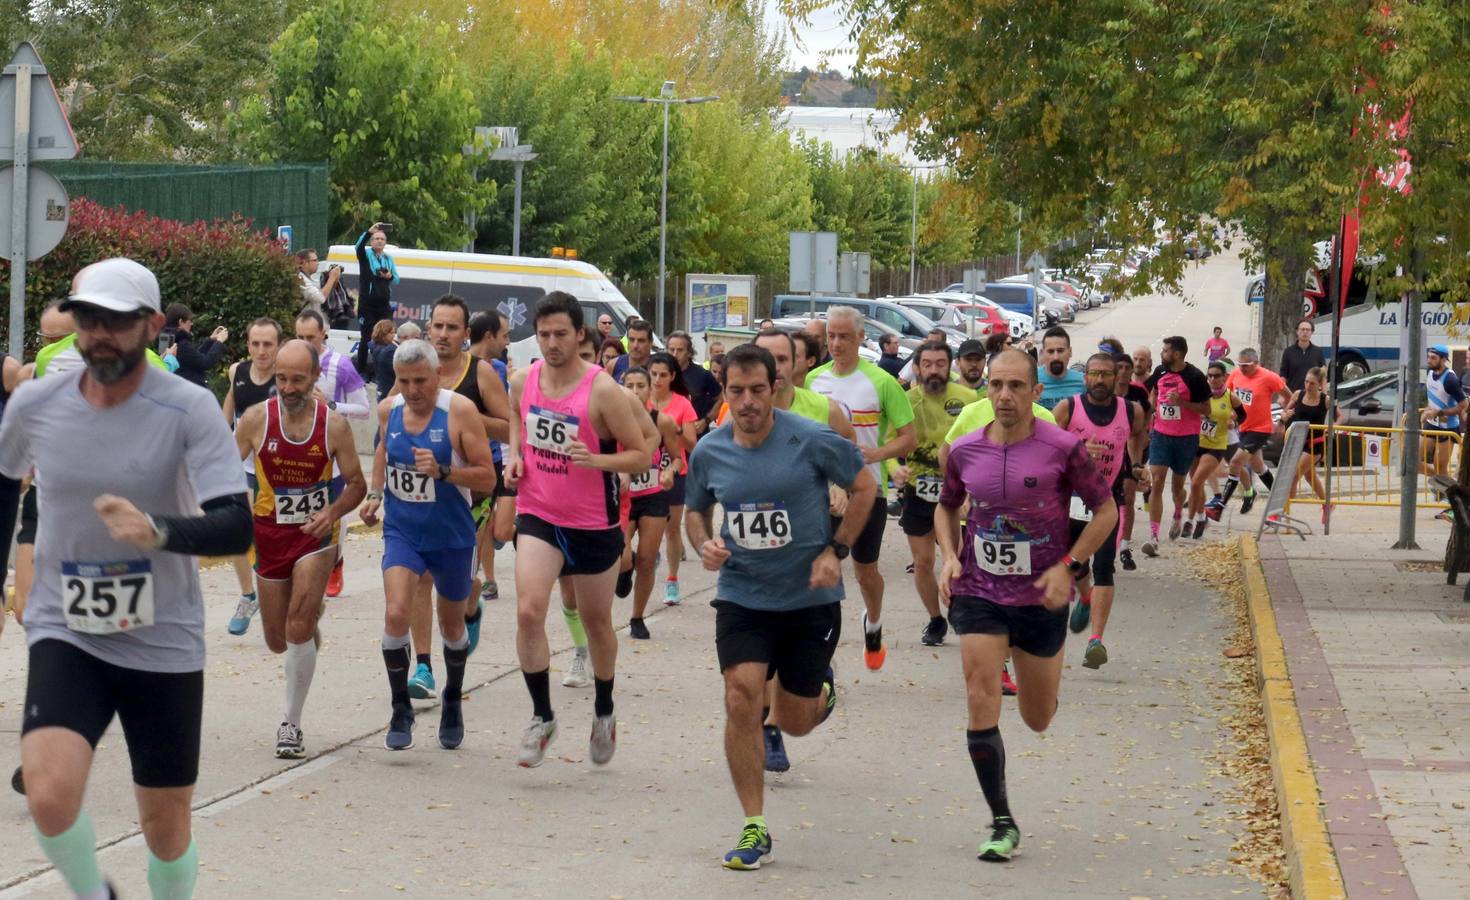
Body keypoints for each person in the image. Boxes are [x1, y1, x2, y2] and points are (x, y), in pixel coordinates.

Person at [0, 257, 253, 898]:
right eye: (90, 319)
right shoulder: (36, 403)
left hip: (162, 635)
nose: (101, 334)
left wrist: (159, 530)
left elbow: (235, 525)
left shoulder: (188, 409)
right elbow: (6, 488)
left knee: (164, 827)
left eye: (117, 320)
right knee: (50, 794)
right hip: (68, 626)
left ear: (153, 325)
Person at [684, 344, 875, 870]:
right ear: (723, 392)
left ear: (776, 388)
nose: (747, 402)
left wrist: (837, 550)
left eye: (757, 390)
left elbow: (864, 486)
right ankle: (754, 826)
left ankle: (822, 695)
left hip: (810, 598)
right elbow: (696, 512)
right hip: (743, 594)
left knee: (794, 721)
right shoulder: (709, 451)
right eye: (736, 391)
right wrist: (703, 543)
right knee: (741, 694)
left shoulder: (810, 439)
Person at [935, 349, 1117, 863]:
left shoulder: (1063, 448)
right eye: (996, 385)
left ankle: (1044, 681)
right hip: (979, 591)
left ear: (1036, 392)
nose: (1004, 395)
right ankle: (1001, 819)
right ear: (985, 390)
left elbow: (1105, 510)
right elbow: (946, 509)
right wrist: (949, 557)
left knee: (1038, 718)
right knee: (980, 694)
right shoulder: (966, 450)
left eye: (1016, 386)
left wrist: (1071, 565)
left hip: (1041, 596)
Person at [504, 292, 650, 768]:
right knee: (528, 611)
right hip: (539, 512)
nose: (551, 343)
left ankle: (604, 708)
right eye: (544, 334)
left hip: (593, 522)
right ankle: (542, 716)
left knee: (596, 623)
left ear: (580, 335)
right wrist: (514, 455)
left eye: (560, 334)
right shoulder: (523, 380)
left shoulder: (603, 391)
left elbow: (641, 453)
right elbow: (514, 419)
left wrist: (598, 460)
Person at [359, 339, 496, 750]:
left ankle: (452, 697)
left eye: (421, 380)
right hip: (404, 531)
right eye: (404, 381)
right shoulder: (390, 410)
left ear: (438, 376)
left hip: (452, 535)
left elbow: (488, 478)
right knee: (397, 611)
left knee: (452, 626)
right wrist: (374, 494)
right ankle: (400, 707)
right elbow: (384, 449)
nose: (413, 390)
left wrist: (444, 471)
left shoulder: (460, 412)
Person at [236, 340, 367, 757]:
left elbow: (357, 484)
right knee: (277, 640)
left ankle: (290, 725)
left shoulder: (333, 426)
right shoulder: (256, 420)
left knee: (297, 625)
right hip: (269, 533)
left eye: (298, 380)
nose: (289, 388)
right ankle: (307, 625)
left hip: (315, 535)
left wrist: (331, 513)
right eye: (282, 379)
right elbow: (219, 470)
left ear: (314, 379)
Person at [397, 296, 513, 699]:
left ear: (467, 334)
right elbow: (392, 420)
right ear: (428, 329)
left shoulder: (479, 374)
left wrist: (459, 414)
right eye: (438, 326)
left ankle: (470, 604)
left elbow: (510, 428)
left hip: (471, 494)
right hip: (418, 493)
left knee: (455, 587)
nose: (443, 334)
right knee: (419, 578)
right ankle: (424, 667)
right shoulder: (413, 370)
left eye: (452, 327)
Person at [807, 306, 916, 670]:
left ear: (859, 338)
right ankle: (819, 655)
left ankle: (874, 621)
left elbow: (909, 439)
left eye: (843, 336)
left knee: (865, 570)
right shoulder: (814, 381)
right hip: (825, 492)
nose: (836, 343)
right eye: (830, 337)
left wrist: (877, 453)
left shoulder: (881, 382)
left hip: (869, 491)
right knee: (824, 570)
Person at [1051, 353, 1145, 669]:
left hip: (1108, 501)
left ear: (1117, 375)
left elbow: (1136, 442)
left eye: (1107, 374)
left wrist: (1138, 468)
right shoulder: (1068, 408)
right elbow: (1046, 450)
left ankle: (1096, 641)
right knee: (1072, 563)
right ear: (1086, 377)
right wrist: (1076, 450)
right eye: (1095, 374)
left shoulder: (1131, 411)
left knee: (1105, 566)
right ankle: (1086, 595)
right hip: (1070, 500)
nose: (1101, 380)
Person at [897, 341, 980, 649]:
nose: (934, 370)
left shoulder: (968, 398)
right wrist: (894, 466)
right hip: (918, 491)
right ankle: (935, 619)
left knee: (956, 558)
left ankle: (958, 608)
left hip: (956, 493)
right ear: (917, 368)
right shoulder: (906, 401)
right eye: (927, 364)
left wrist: (971, 488)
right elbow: (888, 438)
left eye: (940, 364)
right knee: (922, 562)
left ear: (950, 367)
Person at [295, 310, 372, 598]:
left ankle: (335, 563)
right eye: (299, 337)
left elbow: (364, 409)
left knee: (333, 512)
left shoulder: (340, 366)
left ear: (323, 335)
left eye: (310, 338)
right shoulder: (288, 361)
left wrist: (331, 405)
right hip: (297, 449)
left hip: (333, 451)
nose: (303, 343)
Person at [220, 317, 284, 636]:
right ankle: (248, 596)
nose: (261, 351)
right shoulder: (237, 372)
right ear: (248, 345)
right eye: (255, 344)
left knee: (276, 540)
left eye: (267, 344)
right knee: (235, 531)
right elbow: (227, 416)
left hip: (278, 472)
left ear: (278, 346)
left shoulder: (288, 377)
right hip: (243, 466)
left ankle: (294, 599)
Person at [619, 367, 681, 639]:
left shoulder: (662, 421)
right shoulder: (610, 419)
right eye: (628, 385)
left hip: (653, 495)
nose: (634, 391)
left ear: (650, 388)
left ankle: (637, 617)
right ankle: (625, 565)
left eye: (640, 385)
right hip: (621, 497)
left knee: (646, 558)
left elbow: (677, 457)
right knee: (618, 558)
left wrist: (670, 471)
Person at [1140, 336, 1210, 556]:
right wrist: (1149, 415)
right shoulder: (1160, 371)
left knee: (1177, 487)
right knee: (1157, 481)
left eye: (1165, 350)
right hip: (1160, 435)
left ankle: (1179, 511)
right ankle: (1153, 537)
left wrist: (1182, 403)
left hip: (1186, 438)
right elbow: (1148, 391)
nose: (1162, 353)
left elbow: (1207, 409)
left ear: (1177, 354)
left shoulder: (1195, 377)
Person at [470, 310, 517, 606]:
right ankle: (478, 579)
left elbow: (507, 418)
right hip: (461, 462)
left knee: (489, 527)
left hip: (493, 455)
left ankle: (484, 578)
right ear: (489, 336)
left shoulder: (496, 368)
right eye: (504, 335)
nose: (507, 340)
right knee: (480, 526)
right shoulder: (451, 367)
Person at [648, 352, 699, 605]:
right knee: (645, 526)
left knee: (671, 528)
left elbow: (692, 443)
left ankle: (672, 579)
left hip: (675, 471)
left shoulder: (682, 403)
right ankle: (649, 556)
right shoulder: (640, 400)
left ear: (673, 377)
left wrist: (673, 427)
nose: (657, 379)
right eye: (653, 374)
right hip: (645, 471)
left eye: (663, 375)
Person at [1214, 348, 1289, 516]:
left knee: (1235, 462)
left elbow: (1289, 396)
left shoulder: (1269, 377)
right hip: (1244, 427)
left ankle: (1220, 506)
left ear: (1256, 363)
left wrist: (1283, 420)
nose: (1242, 368)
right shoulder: (1235, 375)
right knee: (1258, 466)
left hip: (1261, 429)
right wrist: (1231, 417)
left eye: (1246, 365)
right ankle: (1279, 500)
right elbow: (1230, 398)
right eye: (1240, 365)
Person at [1185, 360, 1235, 539]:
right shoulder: (1200, 394)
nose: (1212, 379)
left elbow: (1243, 416)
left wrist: (1233, 422)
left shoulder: (1230, 397)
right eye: (1210, 376)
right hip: (1197, 442)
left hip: (1216, 446)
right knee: (1196, 485)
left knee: (1196, 482)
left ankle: (1189, 521)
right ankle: (1202, 518)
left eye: (1216, 376)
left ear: (1224, 378)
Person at [1284, 366, 1343, 512]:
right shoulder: (1298, 395)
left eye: (1312, 383)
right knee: (1310, 477)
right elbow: (1286, 410)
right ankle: (1328, 504)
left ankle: (1282, 512)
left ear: (1320, 384)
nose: (1308, 386)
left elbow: (1340, 416)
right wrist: (1286, 415)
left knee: (1293, 476)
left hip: (1314, 445)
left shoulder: (1325, 400)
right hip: (1297, 443)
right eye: (1306, 381)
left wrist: (1334, 426)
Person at [1113, 352, 1152, 569]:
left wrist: (1144, 432)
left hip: (1132, 451)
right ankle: (1106, 546)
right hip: (1109, 450)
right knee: (1107, 502)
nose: (1125, 372)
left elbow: (1148, 412)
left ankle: (1125, 548)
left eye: (1128, 368)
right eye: (1120, 368)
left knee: (1128, 498)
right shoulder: (1105, 392)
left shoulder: (1137, 393)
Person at [354, 223, 399, 372]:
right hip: (367, 305)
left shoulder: (388, 258)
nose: (379, 241)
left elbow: (397, 279)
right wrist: (368, 232)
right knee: (366, 339)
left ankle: (382, 369)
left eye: (382, 239)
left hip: (383, 305)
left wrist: (389, 275)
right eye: (376, 238)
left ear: (385, 242)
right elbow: (358, 247)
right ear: (372, 241)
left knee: (386, 338)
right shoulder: (366, 256)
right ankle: (361, 371)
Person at [1422, 344, 1465, 479]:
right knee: (1411, 459)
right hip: (1431, 424)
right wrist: (1427, 410)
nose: (1429, 360)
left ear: (1443, 359)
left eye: (1433, 358)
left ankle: (1445, 489)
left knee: (1440, 466)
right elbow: (1433, 398)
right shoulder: (1429, 372)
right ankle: (1442, 481)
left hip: (1448, 427)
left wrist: (1439, 412)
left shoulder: (1450, 379)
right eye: (1428, 357)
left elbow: (1464, 406)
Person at [666, 331, 722, 434]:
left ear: (689, 352)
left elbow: (721, 398)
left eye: (680, 350)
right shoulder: (661, 374)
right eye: (671, 350)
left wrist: (706, 420)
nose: (675, 354)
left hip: (695, 437)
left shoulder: (702, 374)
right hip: (669, 437)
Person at [162, 303, 228, 388]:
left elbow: (194, 358)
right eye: (189, 321)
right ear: (181, 322)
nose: (191, 324)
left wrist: (211, 340)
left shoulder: (167, 339)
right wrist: (219, 342)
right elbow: (205, 363)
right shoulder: (181, 344)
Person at [1037, 326, 1085, 412]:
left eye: (1060, 351)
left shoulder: (1084, 382)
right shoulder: (1031, 380)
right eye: (1050, 351)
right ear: (1043, 353)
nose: (1056, 357)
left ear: (1070, 352)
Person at [1278, 318, 1326, 394]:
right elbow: (1283, 376)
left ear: (1311, 332)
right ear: (1297, 331)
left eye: (1308, 330)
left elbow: (1323, 376)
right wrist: (1282, 395)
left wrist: (1324, 395)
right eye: (1302, 329)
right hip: (1292, 395)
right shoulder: (1288, 352)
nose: (1305, 332)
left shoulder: (1318, 352)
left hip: (1313, 397)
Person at [297, 249, 342, 316]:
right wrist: (332, 278)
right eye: (315, 260)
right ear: (304, 263)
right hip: (306, 323)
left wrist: (334, 279)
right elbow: (321, 298)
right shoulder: (301, 280)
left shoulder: (311, 281)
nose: (318, 263)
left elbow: (326, 292)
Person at [368, 319, 399, 398]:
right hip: (388, 388)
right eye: (391, 333)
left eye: (394, 332)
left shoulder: (376, 347)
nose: (394, 335)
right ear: (383, 333)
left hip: (382, 387)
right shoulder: (388, 351)